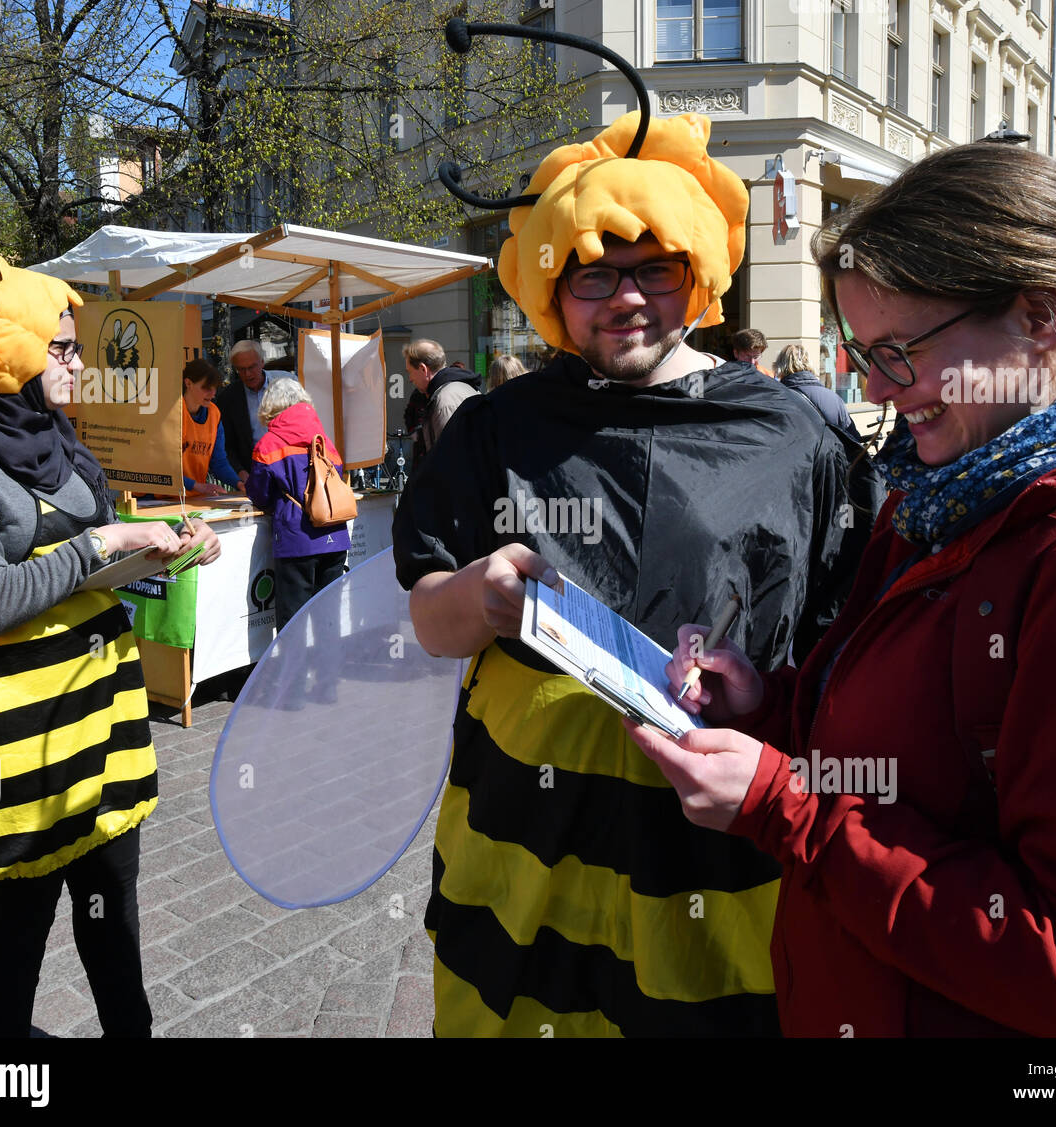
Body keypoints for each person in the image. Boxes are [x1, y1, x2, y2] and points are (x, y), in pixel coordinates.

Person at [627, 142, 1056, 1037]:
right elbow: (919, 771)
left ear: (1040, 320)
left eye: (896, 350)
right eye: (858, 350)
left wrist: (790, 807)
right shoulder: (950, 491)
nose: (868, 385)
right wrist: (770, 711)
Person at [394, 108, 879, 1036]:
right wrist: (477, 595)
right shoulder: (499, 427)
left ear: (697, 275)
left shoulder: (794, 436)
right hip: (523, 831)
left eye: (654, 268)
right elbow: (428, 618)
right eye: (594, 272)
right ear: (554, 289)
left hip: (703, 838)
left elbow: (835, 644)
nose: (625, 297)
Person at [0, 250, 221, 1036]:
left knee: (114, 921)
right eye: (62, 346)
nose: (80, 363)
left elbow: (98, 563)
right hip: (16, 753)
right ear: (5, 352)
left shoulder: (56, 437)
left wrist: (175, 545)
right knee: (15, 934)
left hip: (100, 731)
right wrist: (106, 539)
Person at [246, 378, 350, 632]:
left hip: (296, 541)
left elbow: (259, 495)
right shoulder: (324, 440)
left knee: (293, 622)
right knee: (329, 617)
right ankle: (328, 668)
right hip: (334, 536)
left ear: (272, 407)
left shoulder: (269, 444)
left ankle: (294, 672)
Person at [404, 339, 480, 461]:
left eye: (410, 372)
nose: (410, 379)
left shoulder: (444, 400)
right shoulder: (456, 389)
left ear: (423, 369)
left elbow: (450, 460)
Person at [773, 343, 859, 439]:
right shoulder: (833, 398)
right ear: (809, 363)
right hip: (831, 453)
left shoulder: (778, 399)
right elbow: (853, 438)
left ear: (779, 366)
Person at [181, 358, 240, 496]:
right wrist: (195, 486)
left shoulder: (214, 414)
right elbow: (162, 468)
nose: (213, 393)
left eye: (215, 388)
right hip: (158, 498)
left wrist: (238, 483)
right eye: (206, 388)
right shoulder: (172, 412)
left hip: (192, 498)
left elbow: (219, 462)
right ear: (188, 383)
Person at [216, 339, 272, 481]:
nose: (247, 374)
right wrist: (240, 472)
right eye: (241, 369)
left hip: (285, 467)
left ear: (262, 362)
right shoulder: (228, 397)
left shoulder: (282, 387)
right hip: (251, 473)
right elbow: (227, 445)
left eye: (252, 367)